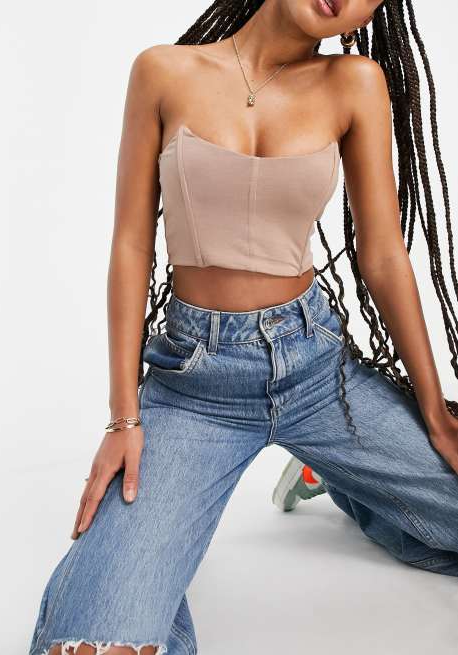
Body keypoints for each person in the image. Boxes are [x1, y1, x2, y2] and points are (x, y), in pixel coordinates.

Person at [28, 1, 458, 654]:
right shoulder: (163, 72)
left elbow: (382, 254)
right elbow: (130, 245)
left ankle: (343, 477)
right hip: (195, 386)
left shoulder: (355, 83)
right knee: (96, 645)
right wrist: (123, 418)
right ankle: (336, 477)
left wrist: (433, 411)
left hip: (318, 372)